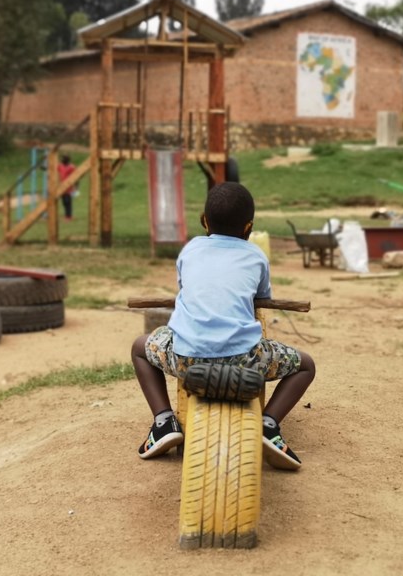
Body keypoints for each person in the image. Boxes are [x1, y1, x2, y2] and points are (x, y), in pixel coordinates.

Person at [130, 182, 316, 470]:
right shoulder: (256, 256)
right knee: (306, 365)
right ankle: (268, 425)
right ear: (249, 227)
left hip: (185, 359)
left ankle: (163, 421)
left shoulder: (190, 250)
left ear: (204, 221)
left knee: (139, 348)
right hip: (247, 362)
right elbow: (262, 297)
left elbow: (184, 288)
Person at [57, 155, 77, 221]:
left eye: (63, 159)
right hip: (62, 187)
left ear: (67, 160)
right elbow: (53, 168)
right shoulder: (60, 166)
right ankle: (67, 215)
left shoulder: (72, 167)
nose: (62, 161)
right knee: (64, 202)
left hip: (69, 187)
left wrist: (76, 187)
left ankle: (69, 216)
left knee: (67, 201)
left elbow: (76, 177)